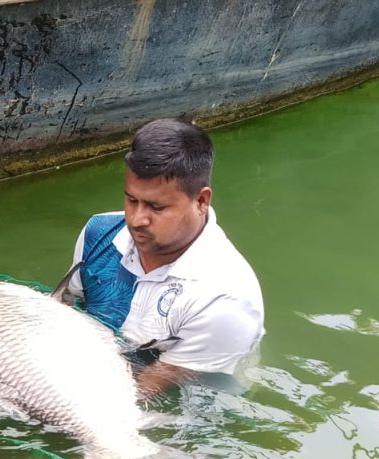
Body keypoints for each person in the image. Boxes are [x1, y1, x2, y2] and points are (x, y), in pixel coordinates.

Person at [58, 118, 264, 397]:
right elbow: (67, 309)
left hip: (194, 395)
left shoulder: (225, 298)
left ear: (201, 201)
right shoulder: (100, 232)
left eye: (156, 207)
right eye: (131, 200)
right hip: (108, 361)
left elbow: (145, 393)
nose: (136, 219)